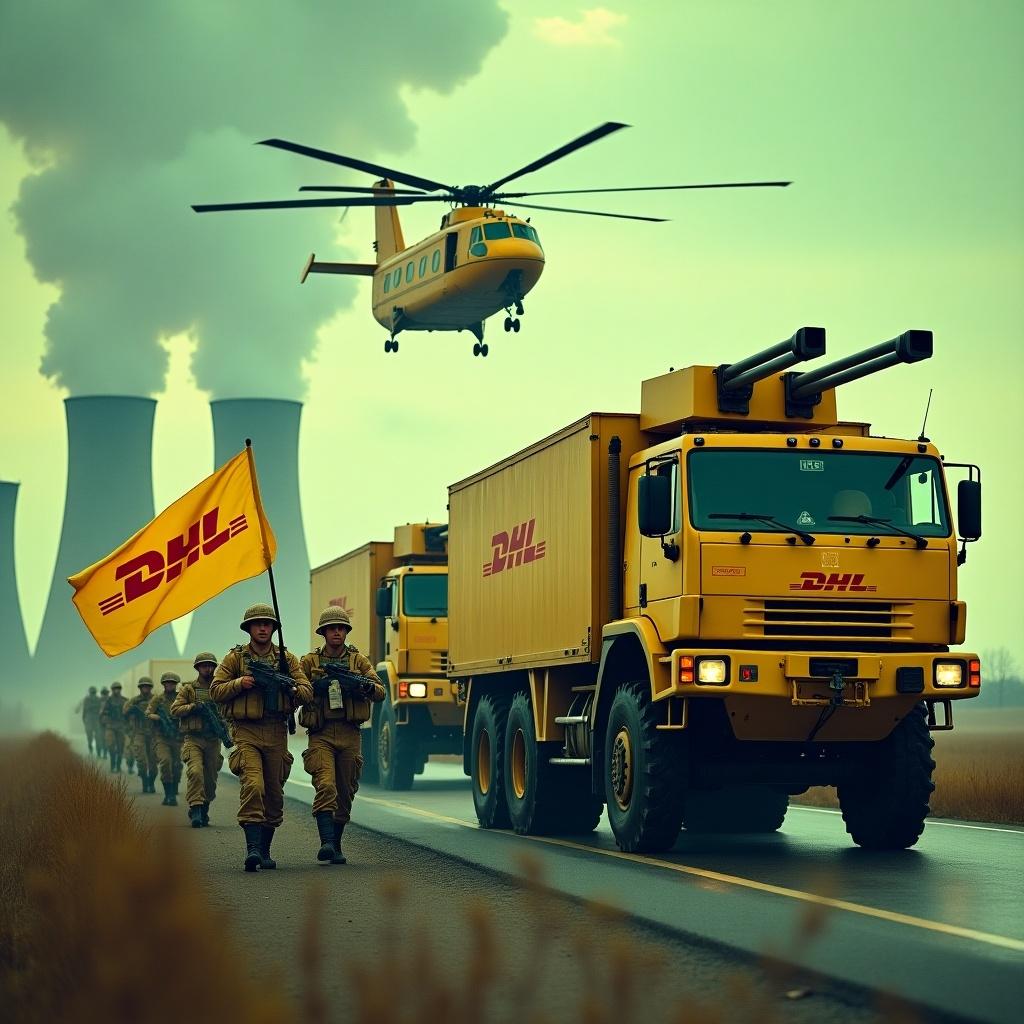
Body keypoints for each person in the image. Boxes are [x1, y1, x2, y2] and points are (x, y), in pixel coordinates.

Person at [211, 603, 311, 872]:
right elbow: (215, 690)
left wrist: (290, 688)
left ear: (273, 628)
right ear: (249, 629)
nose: (263, 628)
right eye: (258, 624)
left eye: (267, 624)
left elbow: (306, 690)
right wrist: (239, 683)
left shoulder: (286, 660)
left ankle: (265, 850)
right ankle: (252, 849)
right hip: (246, 731)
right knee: (253, 785)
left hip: (277, 731)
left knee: (275, 794)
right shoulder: (236, 658)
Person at [300, 606, 385, 865]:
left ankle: (336, 844)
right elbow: (294, 691)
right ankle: (326, 842)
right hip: (321, 732)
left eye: (341, 628)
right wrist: (317, 686)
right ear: (323, 632)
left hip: (350, 733)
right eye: (332, 628)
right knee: (325, 785)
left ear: (346, 632)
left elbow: (380, 691)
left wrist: (360, 685)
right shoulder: (309, 662)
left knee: (346, 790)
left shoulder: (358, 661)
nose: (337, 632)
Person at [171, 652, 226, 828]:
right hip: (193, 739)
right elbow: (175, 709)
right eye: (203, 665)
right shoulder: (189, 689)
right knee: (195, 772)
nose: (207, 669)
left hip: (213, 740)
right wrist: (193, 707)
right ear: (197, 668)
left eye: (210, 665)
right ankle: (195, 808)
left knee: (210, 779)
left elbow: (228, 712)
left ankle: (204, 808)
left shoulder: (219, 688)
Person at [147, 673, 183, 806]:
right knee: (166, 762)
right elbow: (148, 712)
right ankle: (169, 795)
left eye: (172, 683)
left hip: (178, 737)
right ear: (163, 684)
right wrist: (156, 717)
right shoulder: (158, 699)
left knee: (177, 766)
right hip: (161, 737)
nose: (169, 685)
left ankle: (173, 791)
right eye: (167, 683)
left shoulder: (181, 698)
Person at [125, 678, 157, 794]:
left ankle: (151, 782)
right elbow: (124, 715)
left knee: (153, 762)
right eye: (143, 686)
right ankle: (144, 780)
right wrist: (131, 711)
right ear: (140, 688)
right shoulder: (133, 701)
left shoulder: (156, 700)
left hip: (153, 733)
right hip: (139, 733)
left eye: (147, 686)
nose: (145, 688)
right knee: (141, 760)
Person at [100, 682, 129, 773]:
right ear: (112, 690)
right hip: (111, 726)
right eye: (115, 688)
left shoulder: (125, 700)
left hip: (121, 726)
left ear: (120, 689)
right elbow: (104, 713)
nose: (117, 690)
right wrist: (105, 721)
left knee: (120, 747)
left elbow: (129, 715)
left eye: (118, 688)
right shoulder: (108, 701)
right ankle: (113, 765)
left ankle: (118, 766)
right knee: (111, 746)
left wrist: (128, 724)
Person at [80, 686, 102, 756]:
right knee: (91, 737)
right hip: (90, 719)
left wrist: (84, 719)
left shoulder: (97, 699)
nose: (93, 694)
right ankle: (92, 749)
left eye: (93, 692)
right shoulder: (87, 699)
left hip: (94, 719)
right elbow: (85, 709)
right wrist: (84, 719)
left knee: (97, 737)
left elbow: (98, 708)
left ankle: (97, 752)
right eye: (92, 692)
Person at [96, 687, 110, 758]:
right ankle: (101, 753)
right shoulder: (100, 701)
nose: (105, 695)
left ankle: (103, 753)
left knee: (104, 738)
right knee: (102, 738)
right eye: (104, 694)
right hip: (102, 722)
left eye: (106, 694)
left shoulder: (109, 700)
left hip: (106, 722)